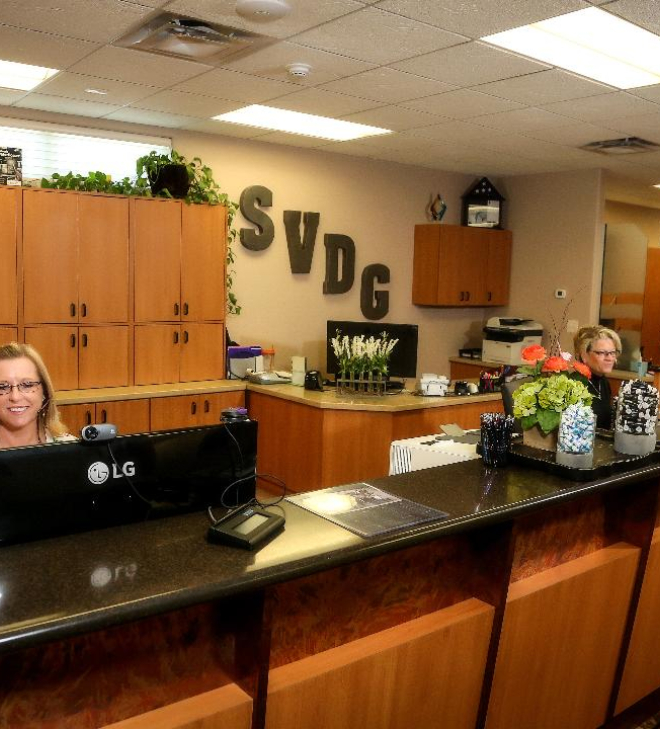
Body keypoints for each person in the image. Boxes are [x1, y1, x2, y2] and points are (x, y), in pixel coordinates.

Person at [0, 342, 73, 448]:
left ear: (44, 392)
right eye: (2, 387)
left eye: (27, 385)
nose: (15, 397)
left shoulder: (70, 449)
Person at [573, 326, 622, 429]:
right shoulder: (575, 384)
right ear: (584, 355)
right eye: (602, 353)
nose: (609, 358)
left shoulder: (604, 382)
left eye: (612, 353)